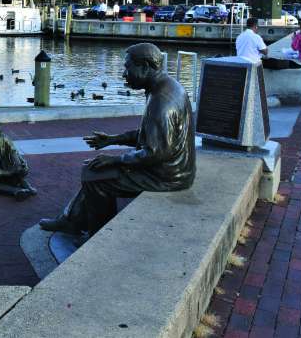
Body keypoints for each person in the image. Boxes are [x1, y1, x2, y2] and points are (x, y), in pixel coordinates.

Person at [39, 43, 195, 241]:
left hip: (166, 175)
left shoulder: (161, 101)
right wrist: (114, 140)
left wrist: (116, 160)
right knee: (94, 169)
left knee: (98, 179)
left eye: (127, 67)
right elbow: (152, 136)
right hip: (172, 168)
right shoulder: (165, 87)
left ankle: (100, 237)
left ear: (145, 67)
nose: (123, 74)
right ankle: (72, 219)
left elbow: (156, 153)